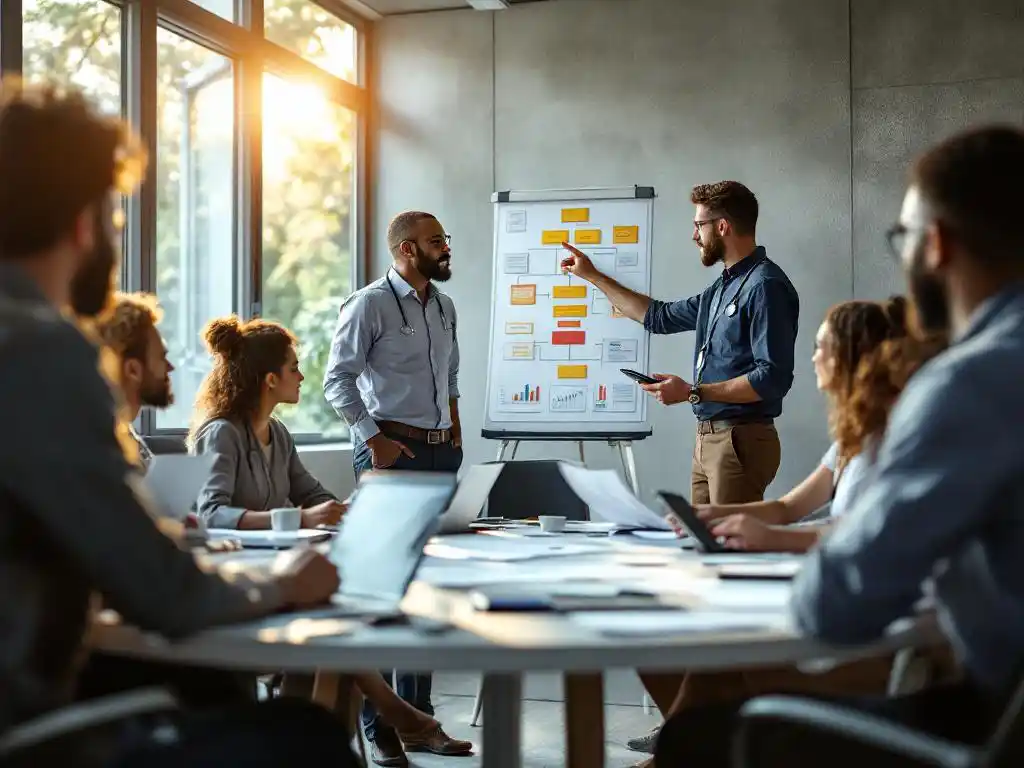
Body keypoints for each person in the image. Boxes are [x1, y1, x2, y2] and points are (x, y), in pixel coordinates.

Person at [0, 79, 355, 765]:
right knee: (306, 739)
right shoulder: (40, 351)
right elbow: (166, 595)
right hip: (29, 729)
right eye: (115, 215)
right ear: (84, 220)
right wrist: (286, 581)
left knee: (208, 685)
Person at [654, 125, 1024, 767]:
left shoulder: (970, 384)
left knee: (697, 734)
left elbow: (838, 607)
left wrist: (786, 553)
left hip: (984, 724)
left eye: (903, 238)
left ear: (934, 246)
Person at [628, 298, 941, 764]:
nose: (812, 357)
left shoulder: (898, 440)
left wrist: (772, 538)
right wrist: (718, 516)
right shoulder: (851, 440)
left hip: (873, 640)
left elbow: (863, 531)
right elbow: (789, 505)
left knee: (718, 663)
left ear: (848, 357)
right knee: (685, 656)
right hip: (841, 602)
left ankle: (671, 758)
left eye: (821, 347)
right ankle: (677, 754)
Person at [190, 315, 472, 766]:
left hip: (278, 577)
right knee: (333, 634)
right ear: (269, 380)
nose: (302, 376)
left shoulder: (277, 434)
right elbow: (211, 513)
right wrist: (303, 516)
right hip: (241, 583)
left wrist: (362, 503)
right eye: (294, 367)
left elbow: (313, 494)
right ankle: (395, 715)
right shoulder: (222, 433)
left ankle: (367, 732)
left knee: (339, 635)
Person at [561, 181, 799, 505]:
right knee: (702, 545)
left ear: (723, 226)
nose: (694, 235)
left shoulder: (765, 286)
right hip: (709, 436)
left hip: (739, 437)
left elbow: (772, 378)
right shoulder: (721, 289)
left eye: (699, 225)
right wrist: (592, 275)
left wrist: (692, 392)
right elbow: (658, 317)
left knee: (726, 548)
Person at [323, 210, 462, 755]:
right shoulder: (369, 304)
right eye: (435, 241)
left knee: (425, 589)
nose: (445, 248)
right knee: (385, 591)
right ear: (406, 249)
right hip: (389, 453)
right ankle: (380, 728)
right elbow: (337, 380)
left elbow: (450, 372)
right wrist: (371, 438)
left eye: (444, 239)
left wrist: (452, 425)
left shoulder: (445, 305)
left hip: (438, 452)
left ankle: (420, 722)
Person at [91, 291, 173, 473]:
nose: (170, 367)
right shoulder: (100, 448)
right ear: (133, 370)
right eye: (161, 357)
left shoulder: (126, 434)